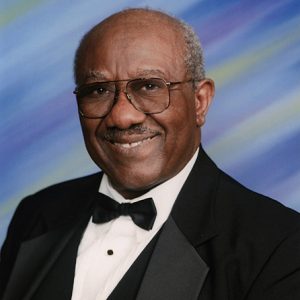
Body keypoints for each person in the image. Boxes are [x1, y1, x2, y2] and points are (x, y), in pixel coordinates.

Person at [0, 7, 300, 300]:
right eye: (99, 91)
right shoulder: (36, 213)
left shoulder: (280, 244)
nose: (122, 117)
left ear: (199, 101)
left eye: (149, 86)